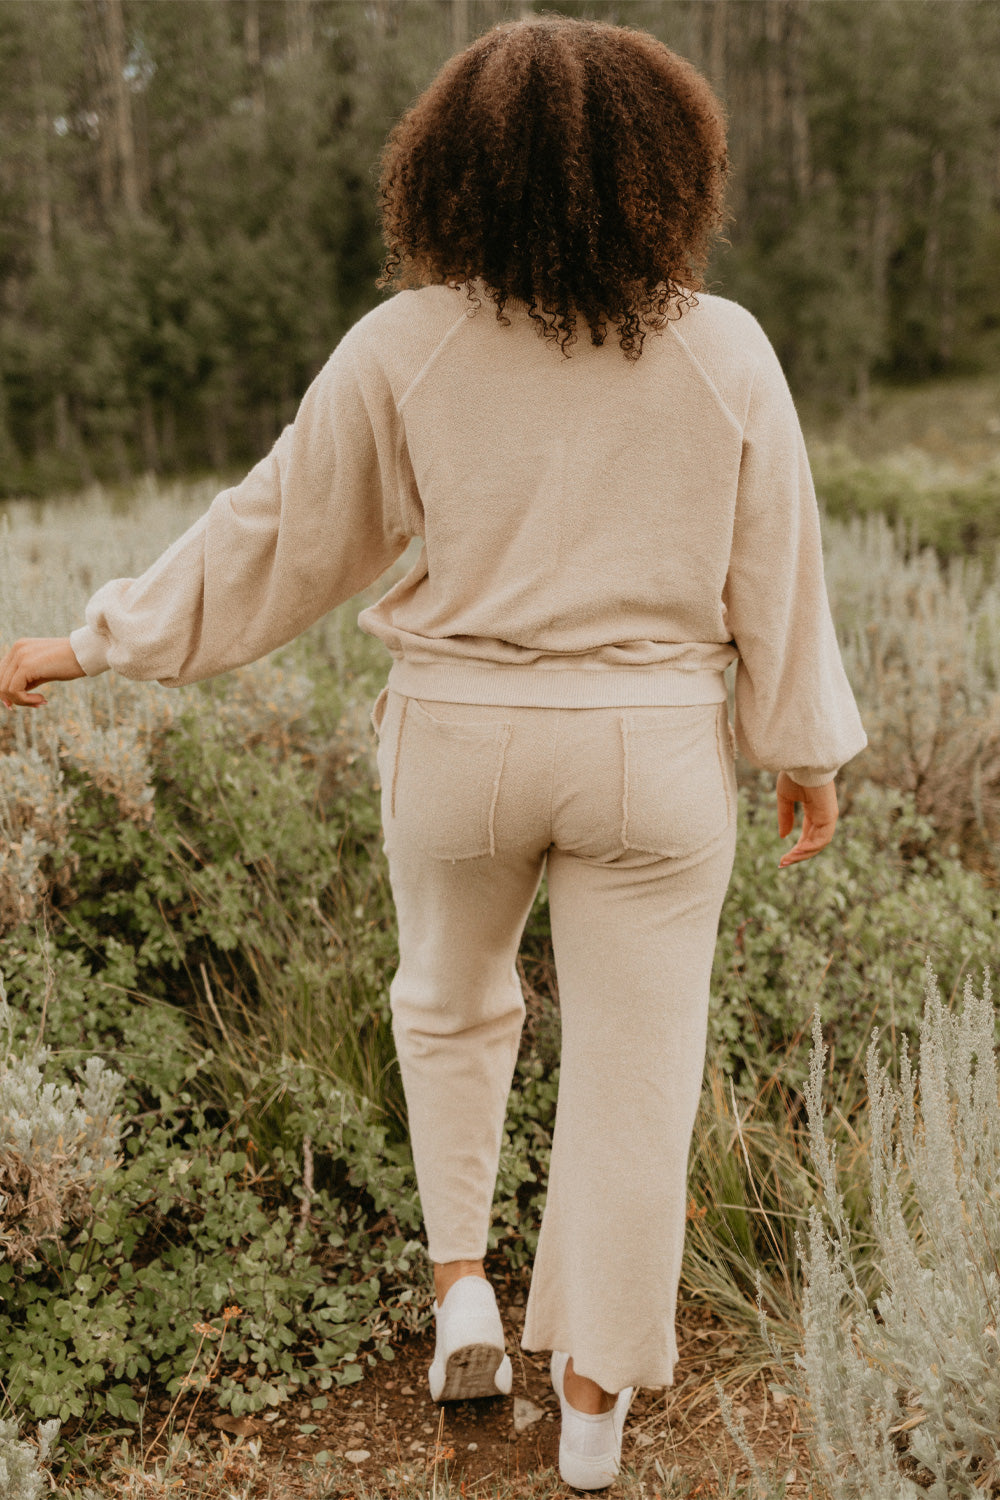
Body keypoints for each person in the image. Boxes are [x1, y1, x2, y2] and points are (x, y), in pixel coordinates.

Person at [0, 14, 866, 1491]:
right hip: (653, 751)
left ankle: (463, 1285)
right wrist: (804, 747)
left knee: (450, 1005)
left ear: (454, 170)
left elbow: (270, 541)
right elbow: (775, 569)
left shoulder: (404, 346)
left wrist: (88, 644)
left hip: (459, 741)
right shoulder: (726, 349)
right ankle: (592, 1418)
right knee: (636, 1077)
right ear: (668, 168)